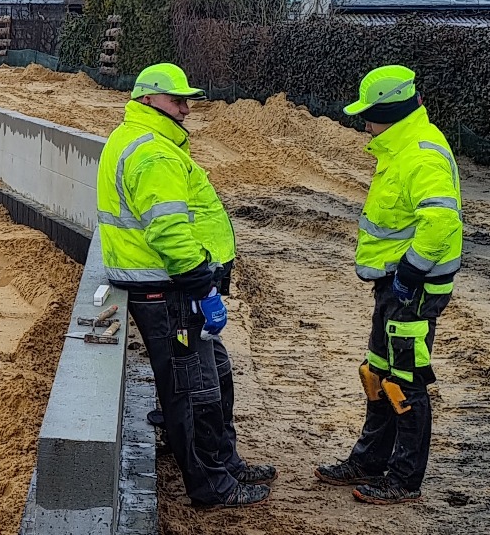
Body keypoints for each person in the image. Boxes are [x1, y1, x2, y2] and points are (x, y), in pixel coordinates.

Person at [96, 61, 276, 509]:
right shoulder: (153, 152)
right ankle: (209, 485)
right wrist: (202, 285)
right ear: (147, 100)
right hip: (168, 288)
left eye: (187, 101)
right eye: (177, 100)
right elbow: (169, 231)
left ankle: (224, 462)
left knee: (213, 373)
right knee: (191, 388)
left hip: (171, 286)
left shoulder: (147, 141)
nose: (186, 109)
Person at [316, 63, 464, 505]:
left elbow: (440, 221)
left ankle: (403, 478)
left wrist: (409, 273)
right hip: (394, 286)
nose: (365, 123)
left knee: (405, 380)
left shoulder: (420, 154)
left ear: (394, 111)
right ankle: (369, 460)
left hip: (413, 290)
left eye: (370, 114)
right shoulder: (399, 150)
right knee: (377, 373)